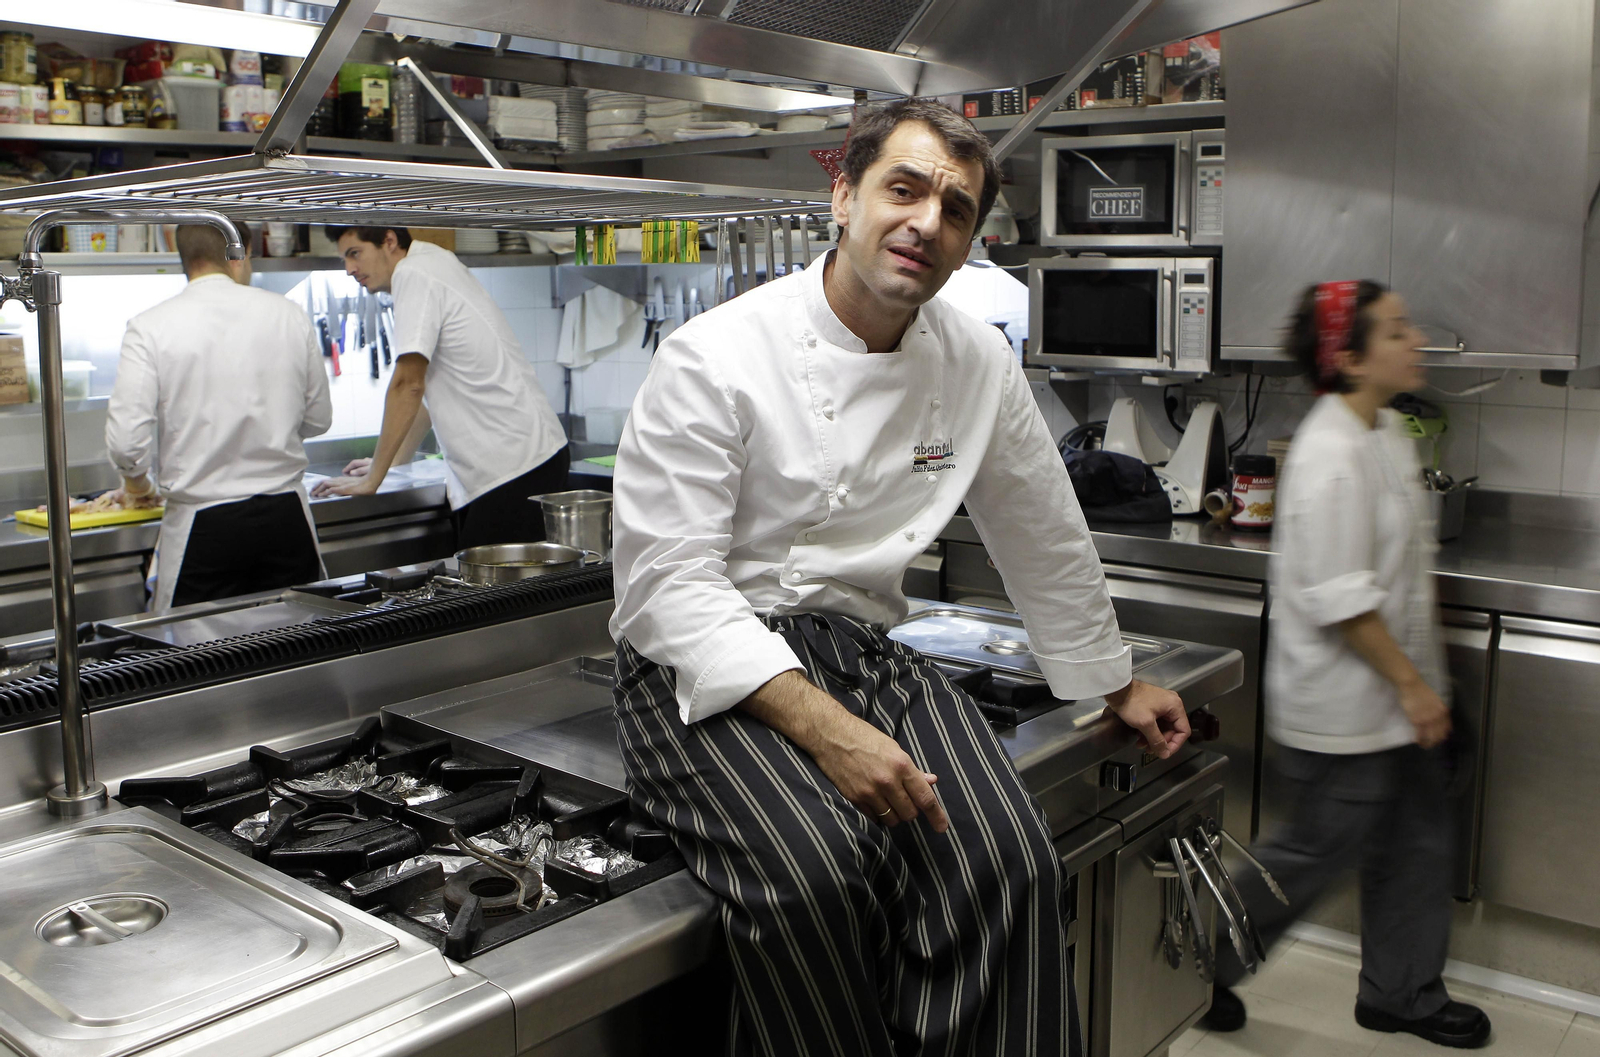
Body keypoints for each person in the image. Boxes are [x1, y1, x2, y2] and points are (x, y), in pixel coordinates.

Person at [609, 98, 1191, 1056]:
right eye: (904, 188)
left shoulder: (975, 361)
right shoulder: (715, 356)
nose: (927, 221)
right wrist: (833, 734)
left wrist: (1114, 677)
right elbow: (668, 584)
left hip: (859, 646)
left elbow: (1041, 528)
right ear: (842, 196)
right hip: (699, 664)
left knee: (1008, 860)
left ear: (968, 243)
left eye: (955, 209)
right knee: (817, 872)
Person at [1198, 281, 1491, 1049]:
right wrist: (1412, 686)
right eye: (1397, 331)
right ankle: (1197, 964)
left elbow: (1397, 579)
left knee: (1418, 843)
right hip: (1341, 709)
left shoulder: (1385, 429)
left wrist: (1430, 686)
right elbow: (1345, 600)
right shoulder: (1329, 451)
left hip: (1400, 696)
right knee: (1306, 856)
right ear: (1351, 357)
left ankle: (1404, 994)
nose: (1416, 340)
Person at [106, 222, 331, 612]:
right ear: (238, 255)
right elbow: (318, 419)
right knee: (300, 646)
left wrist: (138, 486)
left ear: (183, 259)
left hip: (203, 527)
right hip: (286, 519)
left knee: (199, 658)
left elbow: (127, 444)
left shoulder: (150, 327)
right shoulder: (289, 315)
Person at [310, 227, 568, 549]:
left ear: (389, 241)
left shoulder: (414, 274)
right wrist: (391, 462)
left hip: (512, 466)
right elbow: (425, 391)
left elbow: (408, 385)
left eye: (355, 253)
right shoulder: (433, 260)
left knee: (492, 595)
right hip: (527, 459)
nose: (349, 269)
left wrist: (372, 479)